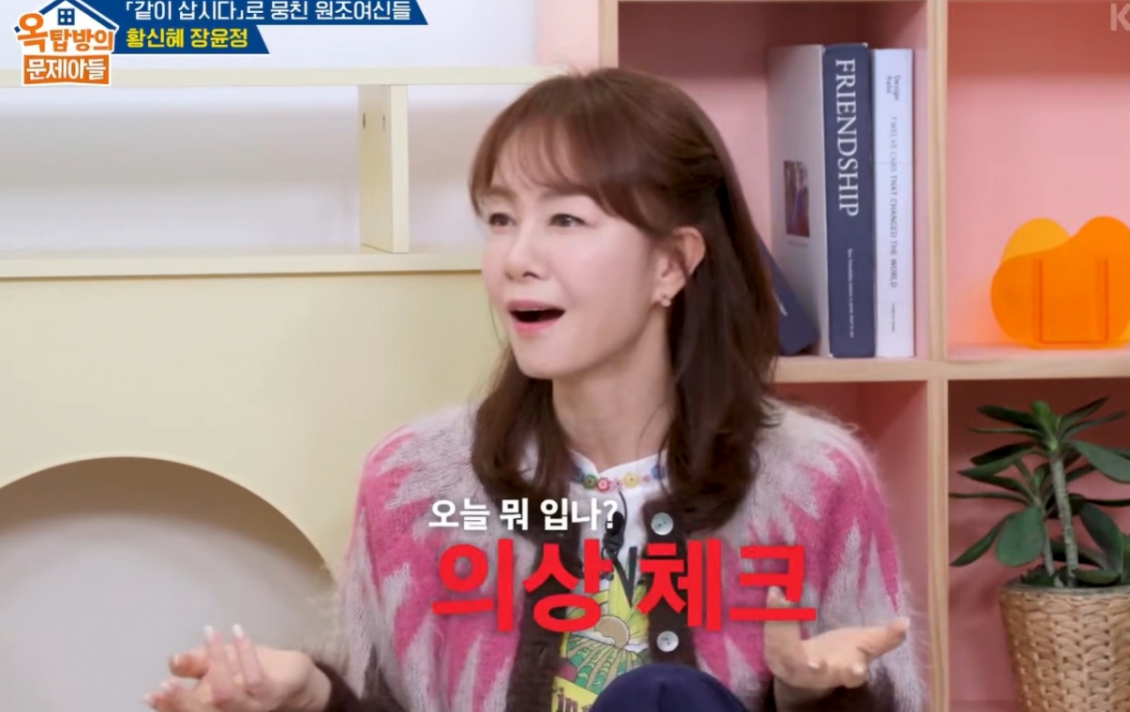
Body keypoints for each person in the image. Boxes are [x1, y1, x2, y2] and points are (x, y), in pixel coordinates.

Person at [143, 66, 923, 712]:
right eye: (499, 217)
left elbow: (887, 689)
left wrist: (814, 699)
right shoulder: (412, 485)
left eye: (566, 220)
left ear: (671, 263)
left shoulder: (814, 481)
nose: (516, 257)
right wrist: (313, 696)